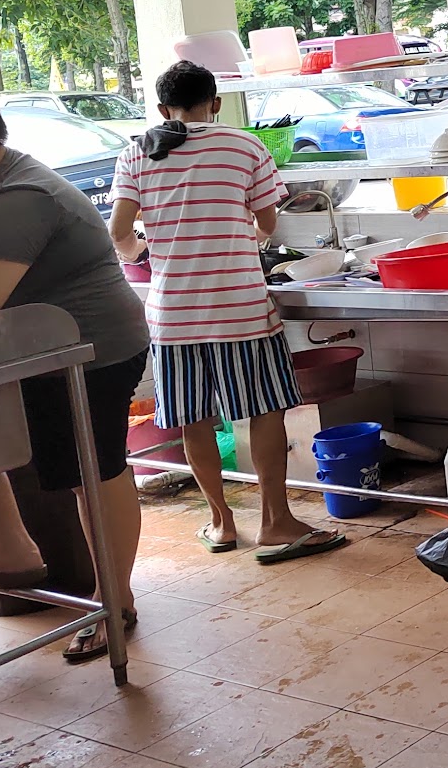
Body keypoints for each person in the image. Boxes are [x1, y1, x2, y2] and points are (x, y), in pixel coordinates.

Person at [0, 83, 149, 662]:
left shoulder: (18, 199)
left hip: (92, 351)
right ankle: (13, 552)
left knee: (93, 471)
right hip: (31, 351)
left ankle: (115, 601)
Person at [110, 61, 345, 565]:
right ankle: (275, 521)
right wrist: (246, 235)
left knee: (193, 418)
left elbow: (118, 232)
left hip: (173, 315)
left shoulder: (136, 152)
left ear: (162, 108)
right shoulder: (245, 146)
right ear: (215, 103)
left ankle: (221, 523)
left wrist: (142, 252)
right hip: (241, 308)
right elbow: (268, 222)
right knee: (265, 410)